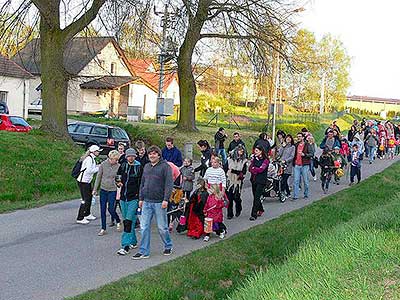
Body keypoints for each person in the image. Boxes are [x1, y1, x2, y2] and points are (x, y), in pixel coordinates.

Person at [132, 145, 174, 259]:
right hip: (146, 201)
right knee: (144, 227)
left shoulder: (165, 167)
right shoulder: (146, 166)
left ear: (159, 155)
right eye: (150, 154)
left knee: (162, 228)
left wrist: (166, 199)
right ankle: (144, 251)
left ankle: (168, 245)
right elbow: (142, 183)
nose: (152, 155)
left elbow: (169, 184)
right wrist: (141, 198)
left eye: (154, 153)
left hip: (160, 202)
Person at [116, 148, 143, 256]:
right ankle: (133, 241)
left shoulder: (139, 167)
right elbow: (118, 177)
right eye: (129, 156)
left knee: (127, 221)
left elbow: (141, 183)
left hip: (134, 198)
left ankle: (125, 246)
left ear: (135, 157)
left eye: (132, 156)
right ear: (126, 157)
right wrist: (118, 183)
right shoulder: (123, 165)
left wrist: (140, 198)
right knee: (128, 220)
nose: (130, 158)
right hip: (123, 197)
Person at [93, 150, 121, 236]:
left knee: (111, 208)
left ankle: (118, 219)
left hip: (113, 189)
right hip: (103, 189)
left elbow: (119, 178)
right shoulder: (103, 165)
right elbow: (98, 177)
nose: (116, 161)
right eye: (115, 160)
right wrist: (95, 189)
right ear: (110, 158)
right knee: (102, 208)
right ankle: (103, 228)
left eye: (117, 160)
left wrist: (119, 186)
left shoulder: (118, 166)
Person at [76, 145, 100, 224]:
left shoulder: (92, 159)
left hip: (87, 181)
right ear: (93, 152)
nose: (98, 152)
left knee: (89, 198)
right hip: (83, 181)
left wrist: (97, 166)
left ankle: (87, 213)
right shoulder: (89, 159)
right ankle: (80, 217)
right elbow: (89, 170)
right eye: (97, 151)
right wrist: (98, 168)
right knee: (85, 199)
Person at [226, 145, 247, 219]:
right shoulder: (229, 159)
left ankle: (238, 207)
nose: (241, 152)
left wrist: (233, 171)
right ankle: (230, 213)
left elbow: (243, 172)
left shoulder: (244, 161)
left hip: (238, 181)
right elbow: (226, 169)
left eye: (242, 151)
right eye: (240, 150)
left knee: (236, 197)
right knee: (229, 198)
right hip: (229, 180)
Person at [249, 145, 269, 221]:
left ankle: (254, 214)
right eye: (255, 150)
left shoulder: (265, 160)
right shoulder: (254, 159)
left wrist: (255, 169)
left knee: (257, 197)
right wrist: (254, 169)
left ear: (261, 151)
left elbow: (261, 169)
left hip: (261, 181)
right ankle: (261, 209)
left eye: (257, 151)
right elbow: (250, 168)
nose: (255, 152)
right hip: (254, 180)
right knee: (255, 196)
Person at [293, 132, 312, 200]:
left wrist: (305, 155)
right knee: (296, 181)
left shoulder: (307, 145)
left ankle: (306, 194)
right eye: (298, 136)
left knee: (305, 181)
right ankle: (295, 196)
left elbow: (311, 154)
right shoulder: (296, 145)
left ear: (303, 137)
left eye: (300, 136)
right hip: (297, 165)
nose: (298, 138)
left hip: (305, 165)